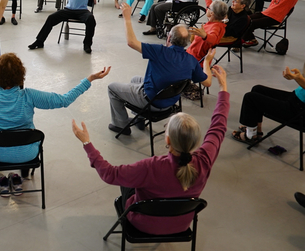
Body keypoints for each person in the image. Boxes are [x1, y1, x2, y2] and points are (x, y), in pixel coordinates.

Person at [72, 65, 229, 235]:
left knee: (127, 185)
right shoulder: (205, 160)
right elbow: (218, 126)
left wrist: (87, 143)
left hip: (143, 224)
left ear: (167, 139)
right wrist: (223, 88)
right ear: (196, 140)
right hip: (181, 224)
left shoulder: (151, 167)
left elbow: (110, 174)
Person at [0, 53, 110, 195]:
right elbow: (64, 100)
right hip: (28, 152)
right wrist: (89, 79)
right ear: (21, 75)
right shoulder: (29, 95)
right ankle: (22, 174)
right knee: (22, 134)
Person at [107, 3, 214, 135]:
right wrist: (207, 62)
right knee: (135, 79)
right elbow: (207, 82)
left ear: (169, 37)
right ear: (187, 42)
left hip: (151, 101)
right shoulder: (191, 60)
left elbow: (132, 42)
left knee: (112, 88)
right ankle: (139, 119)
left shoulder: (160, 51)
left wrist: (127, 18)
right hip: (169, 104)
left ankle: (121, 125)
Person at [231, 63, 305, 144]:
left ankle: (250, 136)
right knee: (257, 89)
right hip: (295, 98)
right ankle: (256, 131)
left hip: (298, 112)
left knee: (250, 98)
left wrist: (298, 78)